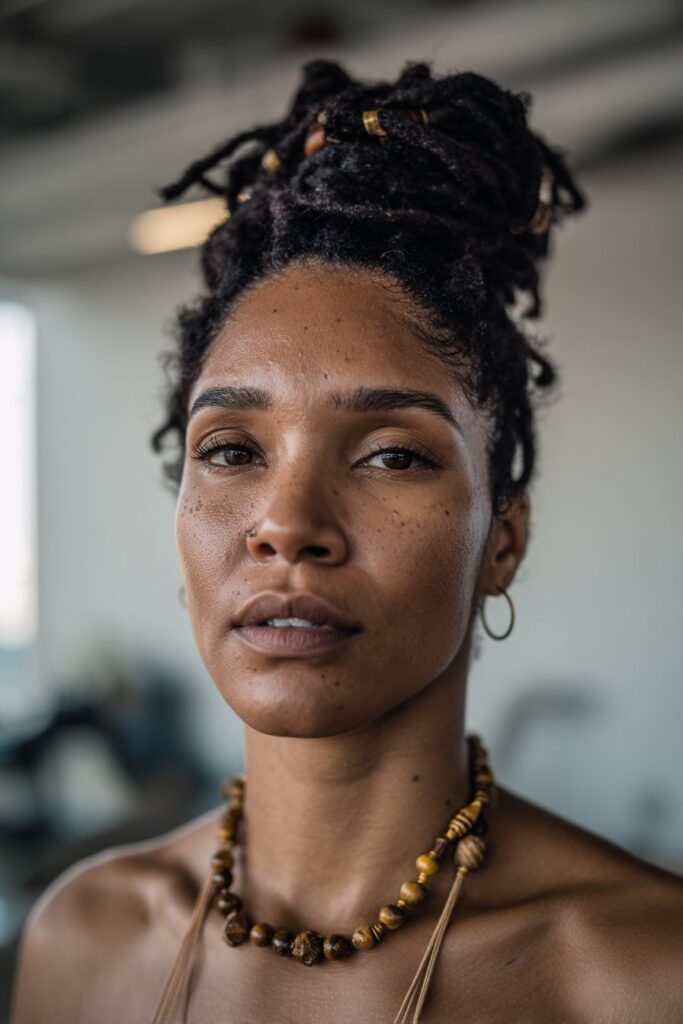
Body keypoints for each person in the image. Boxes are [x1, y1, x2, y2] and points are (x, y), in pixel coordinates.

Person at [11, 58, 683, 1024]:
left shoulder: (639, 980)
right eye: (233, 448)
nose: (286, 524)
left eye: (390, 457)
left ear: (504, 539)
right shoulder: (80, 941)